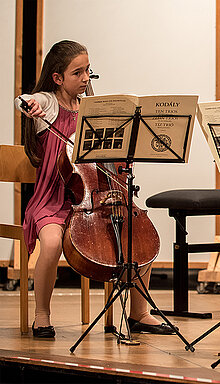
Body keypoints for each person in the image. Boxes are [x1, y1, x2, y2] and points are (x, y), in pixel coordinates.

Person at [15, 40, 174, 338]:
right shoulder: (48, 103)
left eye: (88, 70)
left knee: (137, 234)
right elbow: (25, 99)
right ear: (57, 77)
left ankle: (140, 313)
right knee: (50, 243)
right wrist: (27, 103)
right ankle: (42, 314)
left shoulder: (95, 108)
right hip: (53, 197)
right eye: (78, 73)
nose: (86, 78)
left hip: (94, 194)